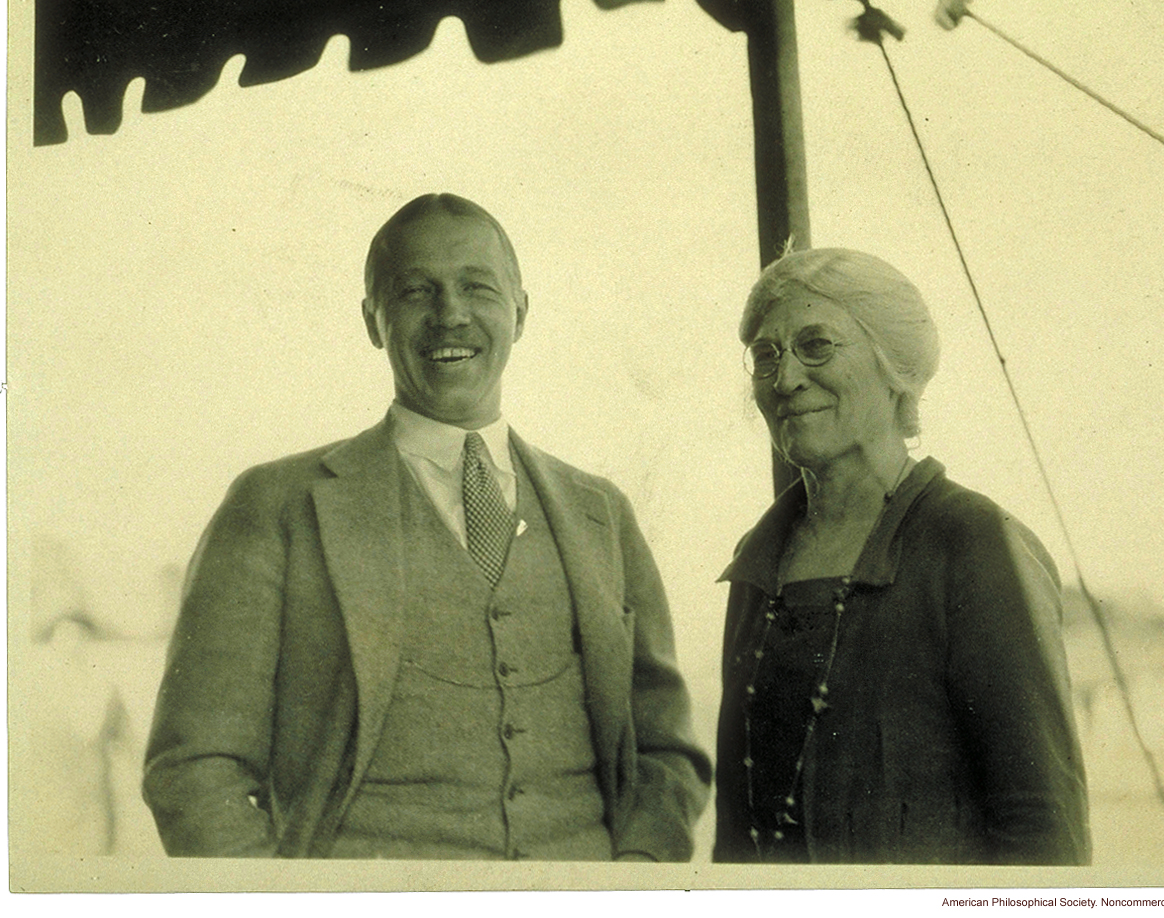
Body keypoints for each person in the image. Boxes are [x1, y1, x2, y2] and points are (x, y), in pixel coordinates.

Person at [143, 193, 710, 860]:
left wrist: (633, 880)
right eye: (416, 291)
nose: (451, 315)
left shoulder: (600, 513)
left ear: (520, 312)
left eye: (477, 287)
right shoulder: (276, 506)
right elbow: (194, 767)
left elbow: (666, 755)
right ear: (371, 320)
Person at [713, 248, 1090, 865]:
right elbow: (735, 833)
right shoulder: (756, 563)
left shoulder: (972, 542)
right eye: (766, 355)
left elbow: (1042, 824)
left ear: (895, 369)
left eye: (816, 345)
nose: (784, 380)